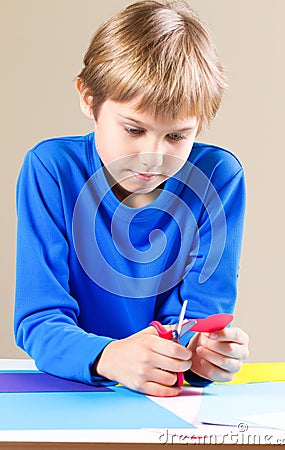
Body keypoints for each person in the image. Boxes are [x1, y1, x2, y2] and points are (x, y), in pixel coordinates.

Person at [14, 0, 249, 397]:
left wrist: (203, 355)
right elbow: (39, 320)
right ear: (88, 99)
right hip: (72, 398)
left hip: (165, 402)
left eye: (176, 136)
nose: (153, 157)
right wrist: (110, 356)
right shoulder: (51, 169)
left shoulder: (218, 179)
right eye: (134, 129)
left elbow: (199, 315)